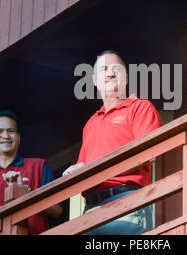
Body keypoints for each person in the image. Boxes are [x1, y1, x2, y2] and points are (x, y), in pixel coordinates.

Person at [63, 50, 162, 234]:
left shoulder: (140, 107)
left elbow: (147, 154)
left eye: (116, 69)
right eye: (104, 69)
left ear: (126, 78)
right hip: (90, 211)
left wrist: (87, 167)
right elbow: (82, 170)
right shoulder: (90, 123)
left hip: (125, 202)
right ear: (93, 80)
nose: (110, 73)